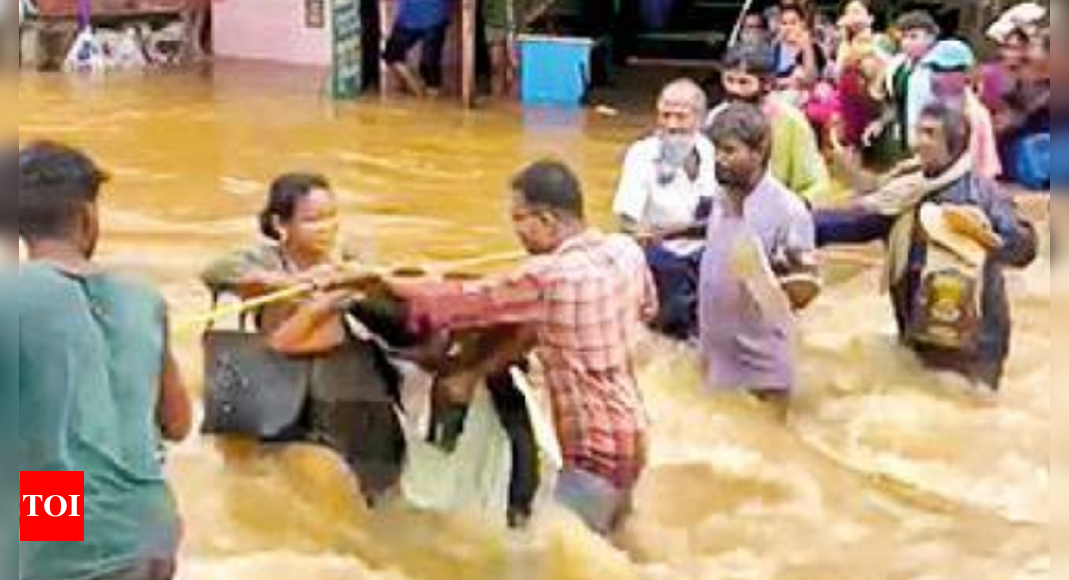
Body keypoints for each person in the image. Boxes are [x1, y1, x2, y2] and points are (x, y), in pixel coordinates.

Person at [390, 160, 657, 536]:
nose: (516, 230)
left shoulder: (547, 277)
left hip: (592, 451)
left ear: (546, 220)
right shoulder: (625, 251)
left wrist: (378, 281)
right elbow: (646, 310)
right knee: (616, 543)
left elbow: (456, 303)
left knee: (559, 558)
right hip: (634, 433)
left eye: (519, 219)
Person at [17, 142, 192, 580]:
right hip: (151, 522)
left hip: (61, 520)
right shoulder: (144, 297)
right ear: (88, 216)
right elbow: (177, 423)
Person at [200, 173, 408, 503]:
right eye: (313, 220)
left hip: (340, 373)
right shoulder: (260, 260)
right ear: (281, 225)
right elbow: (215, 273)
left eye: (331, 217)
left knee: (374, 482)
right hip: (275, 375)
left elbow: (384, 283)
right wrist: (286, 284)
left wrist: (346, 280)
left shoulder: (350, 257)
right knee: (253, 475)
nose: (327, 228)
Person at [818, 104, 1037, 390]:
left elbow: (1025, 250)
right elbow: (855, 224)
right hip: (918, 334)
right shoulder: (904, 194)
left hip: (976, 346)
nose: (917, 142)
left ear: (955, 142)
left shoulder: (984, 196)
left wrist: (986, 235)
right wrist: (796, 224)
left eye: (929, 134)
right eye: (918, 132)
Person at [699, 103, 819, 404]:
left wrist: (781, 279)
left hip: (763, 365)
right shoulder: (720, 196)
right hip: (715, 351)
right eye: (716, 150)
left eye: (729, 151)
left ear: (759, 151)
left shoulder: (789, 211)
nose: (719, 159)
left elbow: (806, 287)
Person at [613, 78, 716, 340]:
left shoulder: (713, 152)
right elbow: (628, 221)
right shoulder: (641, 154)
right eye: (665, 115)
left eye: (681, 117)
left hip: (704, 256)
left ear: (701, 120)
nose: (671, 125)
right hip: (662, 259)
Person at [710, 41, 831, 204]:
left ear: (766, 84)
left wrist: (791, 208)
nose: (735, 89)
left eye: (744, 82)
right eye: (729, 80)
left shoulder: (790, 121)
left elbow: (816, 184)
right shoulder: (716, 117)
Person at [924, 39, 1002, 180]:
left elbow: (984, 164)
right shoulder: (932, 107)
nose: (935, 77)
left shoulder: (975, 114)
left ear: (965, 73)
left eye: (944, 70)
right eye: (934, 69)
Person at [882, 11, 940, 155]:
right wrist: (881, 122)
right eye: (904, 37)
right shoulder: (897, 66)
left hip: (931, 142)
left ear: (930, 38)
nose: (907, 42)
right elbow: (895, 102)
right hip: (903, 138)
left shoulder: (939, 68)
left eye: (914, 36)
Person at [383, 0, 455, 96]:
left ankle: (430, 94)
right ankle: (415, 84)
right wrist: (410, 78)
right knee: (391, 52)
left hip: (435, 17)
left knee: (429, 64)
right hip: (409, 18)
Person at [773, 2, 823, 100]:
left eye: (793, 22)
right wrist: (785, 81)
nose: (788, 27)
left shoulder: (813, 47)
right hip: (776, 99)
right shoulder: (776, 48)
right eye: (784, 23)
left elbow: (810, 81)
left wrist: (807, 48)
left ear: (802, 24)